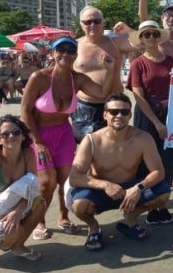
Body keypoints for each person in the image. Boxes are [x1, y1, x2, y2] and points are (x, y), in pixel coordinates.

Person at [20, 36, 114, 240]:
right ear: (53, 53)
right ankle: (40, 221)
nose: (66, 54)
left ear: (75, 55)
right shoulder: (40, 77)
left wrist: (110, 69)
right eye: (60, 49)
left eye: (71, 50)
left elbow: (101, 93)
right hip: (39, 134)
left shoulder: (77, 79)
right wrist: (37, 142)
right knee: (46, 182)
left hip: (64, 134)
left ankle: (63, 217)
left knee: (65, 181)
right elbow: (25, 112)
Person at [68, 94, 170, 251]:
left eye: (124, 112)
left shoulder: (143, 138)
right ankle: (94, 227)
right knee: (79, 205)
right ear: (105, 114)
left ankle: (130, 217)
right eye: (113, 112)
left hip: (130, 190)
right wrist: (105, 185)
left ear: (130, 115)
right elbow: (75, 177)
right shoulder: (92, 140)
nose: (119, 116)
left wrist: (139, 188)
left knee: (163, 192)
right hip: (101, 191)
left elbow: (158, 172)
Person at [126, 21, 173, 225]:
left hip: (171, 112)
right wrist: (157, 123)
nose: (151, 38)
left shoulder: (171, 61)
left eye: (154, 34)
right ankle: (148, 204)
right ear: (141, 39)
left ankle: (162, 205)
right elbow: (138, 96)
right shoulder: (137, 63)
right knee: (146, 160)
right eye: (146, 35)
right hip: (147, 116)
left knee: (168, 159)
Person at [71, 6, 137, 143]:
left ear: (103, 22)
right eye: (87, 22)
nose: (92, 25)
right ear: (80, 24)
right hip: (85, 106)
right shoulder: (74, 46)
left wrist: (129, 31)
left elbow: (147, 43)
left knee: (115, 149)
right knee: (89, 150)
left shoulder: (115, 41)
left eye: (96, 21)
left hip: (115, 104)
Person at [0, 115, 46, 261]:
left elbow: (32, 190)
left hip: (10, 206)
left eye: (16, 132)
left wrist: (17, 212)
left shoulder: (28, 154)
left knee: (40, 202)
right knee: (9, 233)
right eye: (5, 134)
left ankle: (18, 246)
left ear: (23, 136)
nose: (11, 136)